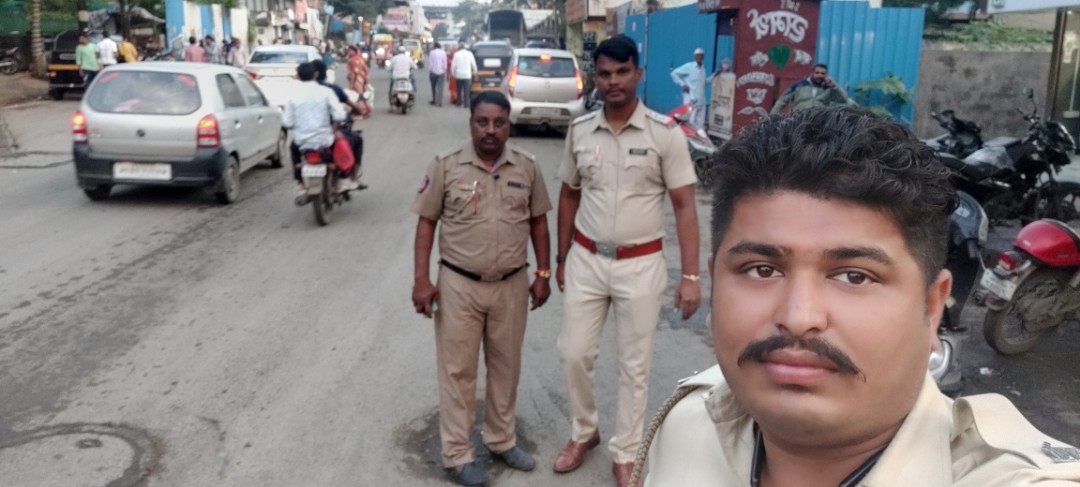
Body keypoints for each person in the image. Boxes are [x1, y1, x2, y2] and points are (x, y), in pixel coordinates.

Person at [635, 106, 1080, 487]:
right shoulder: (684, 425)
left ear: (931, 307)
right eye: (762, 269)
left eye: (854, 276)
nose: (798, 316)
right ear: (715, 283)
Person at [553, 35, 701, 487]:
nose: (613, 81)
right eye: (604, 73)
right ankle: (584, 431)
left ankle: (627, 451)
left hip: (641, 263)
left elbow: (684, 206)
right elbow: (568, 195)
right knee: (574, 353)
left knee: (634, 365)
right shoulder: (580, 131)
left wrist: (691, 276)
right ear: (595, 78)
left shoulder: (664, 134)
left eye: (622, 72)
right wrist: (561, 257)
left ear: (638, 73)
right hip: (586, 258)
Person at [411, 90, 552, 487]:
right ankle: (457, 455)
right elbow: (426, 222)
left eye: (499, 122)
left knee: (506, 367)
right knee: (458, 371)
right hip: (459, 285)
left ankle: (501, 439)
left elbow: (538, 222)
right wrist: (422, 279)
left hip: (511, 285)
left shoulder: (527, 167)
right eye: (482, 122)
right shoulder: (446, 165)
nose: (491, 130)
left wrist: (542, 273)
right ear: (471, 123)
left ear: (509, 125)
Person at [281, 62, 350, 195]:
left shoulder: (292, 95)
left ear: (298, 76)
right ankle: (341, 180)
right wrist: (334, 127)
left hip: (302, 141)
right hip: (325, 139)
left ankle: (300, 183)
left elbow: (287, 122)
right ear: (316, 74)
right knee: (345, 144)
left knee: (293, 150)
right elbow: (340, 115)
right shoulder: (326, 92)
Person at [311, 59, 367, 189]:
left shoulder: (303, 91)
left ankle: (300, 184)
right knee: (357, 140)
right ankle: (349, 177)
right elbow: (343, 110)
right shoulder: (331, 89)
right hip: (328, 131)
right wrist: (360, 110)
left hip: (306, 135)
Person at [770, 63, 855, 115]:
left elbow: (845, 100)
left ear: (826, 75)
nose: (819, 75)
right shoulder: (799, 85)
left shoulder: (827, 89)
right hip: (798, 120)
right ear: (811, 73)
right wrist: (772, 116)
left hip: (819, 122)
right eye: (817, 73)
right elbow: (782, 101)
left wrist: (835, 86)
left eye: (823, 73)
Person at [669, 47, 709, 129]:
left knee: (700, 125)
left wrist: (715, 75)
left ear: (703, 57)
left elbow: (704, 82)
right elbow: (673, 73)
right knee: (689, 123)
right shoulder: (689, 67)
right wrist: (683, 84)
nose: (699, 57)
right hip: (691, 100)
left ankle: (696, 137)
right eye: (697, 55)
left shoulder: (702, 68)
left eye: (701, 55)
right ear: (695, 57)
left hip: (701, 101)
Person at [346, 45, 372, 117]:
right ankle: (365, 110)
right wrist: (366, 79)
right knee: (362, 95)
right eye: (348, 51)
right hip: (362, 79)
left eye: (350, 51)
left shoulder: (352, 60)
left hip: (356, 80)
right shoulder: (360, 58)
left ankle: (360, 111)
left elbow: (353, 73)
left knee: (357, 96)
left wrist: (351, 84)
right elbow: (366, 69)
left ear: (354, 51)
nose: (349, 52)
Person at [450, 42, 477, 108]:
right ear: (465, 47)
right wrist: (475, 71)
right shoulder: (469, 54)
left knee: (459, 90)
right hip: (467, 75)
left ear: (459, 48)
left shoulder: (456, 54)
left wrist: (453, 73)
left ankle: (459, 102)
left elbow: (453, 65)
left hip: (459, 75)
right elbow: (473, 64)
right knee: (467, 90)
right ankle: (466, 104)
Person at [427, 42, 448, 107]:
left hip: (433, 72)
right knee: (440, 88)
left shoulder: (432, 52)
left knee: (433, 87)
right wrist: (444, 70)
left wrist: (430, 70)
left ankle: (434, 100)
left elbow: (430, 63)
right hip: (441, 72)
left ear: (435, 47)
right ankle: (439, 102)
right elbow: (445, 62)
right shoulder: (443, 53)